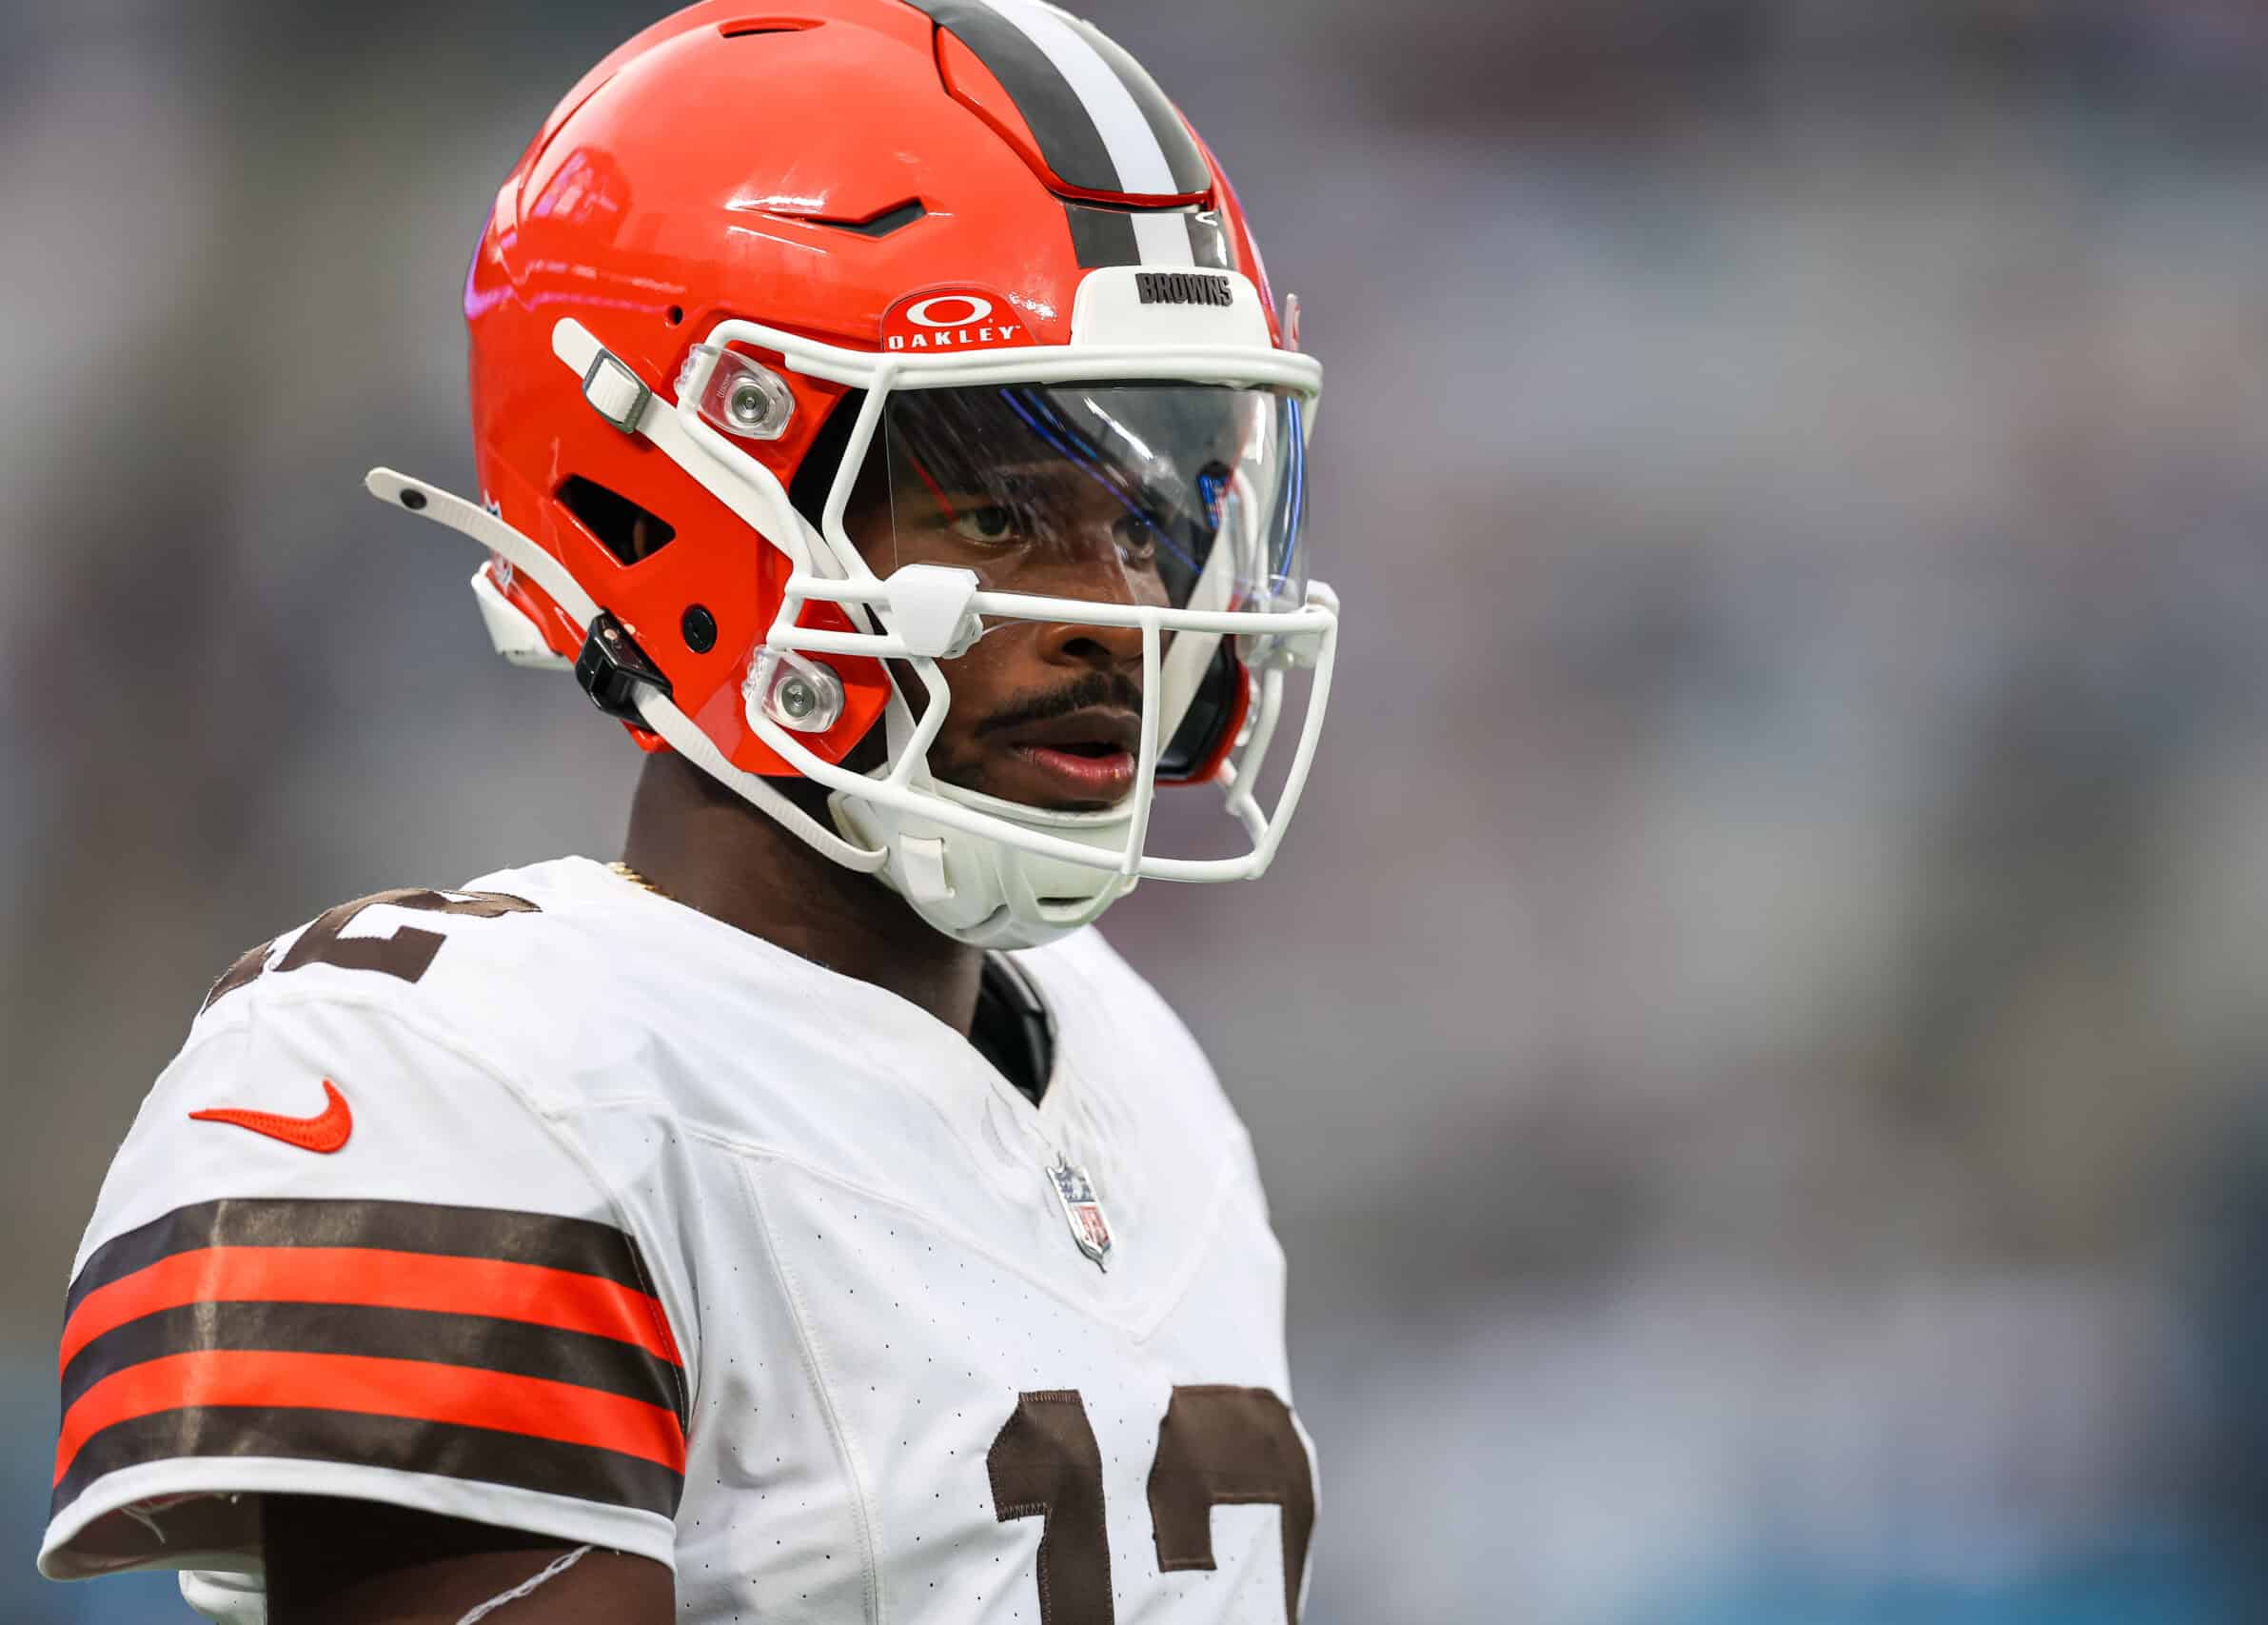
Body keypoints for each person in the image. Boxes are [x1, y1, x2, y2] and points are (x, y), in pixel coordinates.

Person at [34, 2, 1339, 1620]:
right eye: (1000, 512)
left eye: (1144, 523)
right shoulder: (456, 1073)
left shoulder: (1142, 1073)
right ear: (675, 492)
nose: (1107, 606)